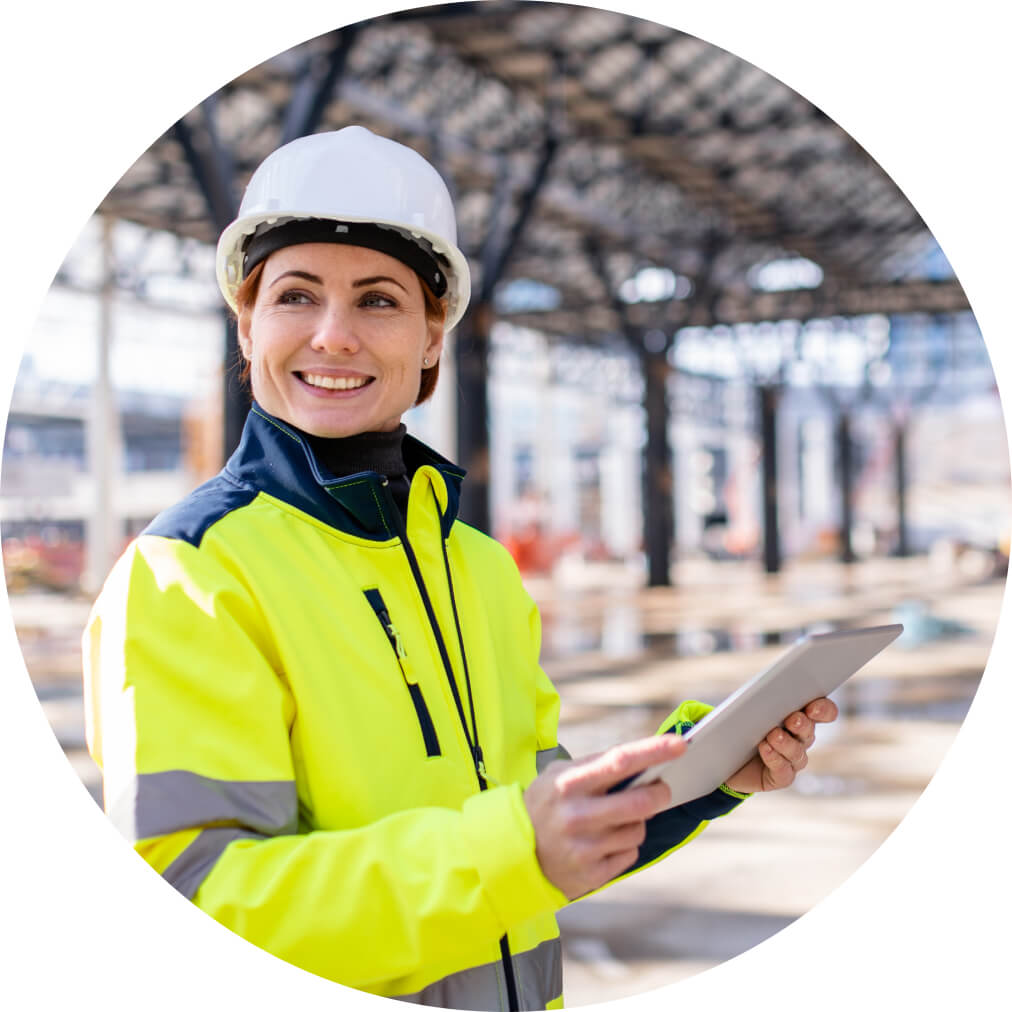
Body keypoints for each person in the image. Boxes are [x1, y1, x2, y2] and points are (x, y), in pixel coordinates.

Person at [82, 126, 837, 1011]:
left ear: (433, 337)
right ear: (247, 327)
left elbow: (536, 813)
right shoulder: (188, 575)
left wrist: (692, 780)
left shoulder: (475, 567)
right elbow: (200, 908)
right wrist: (516, 850)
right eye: (294, 296)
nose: (333, 336)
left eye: (377, 301)